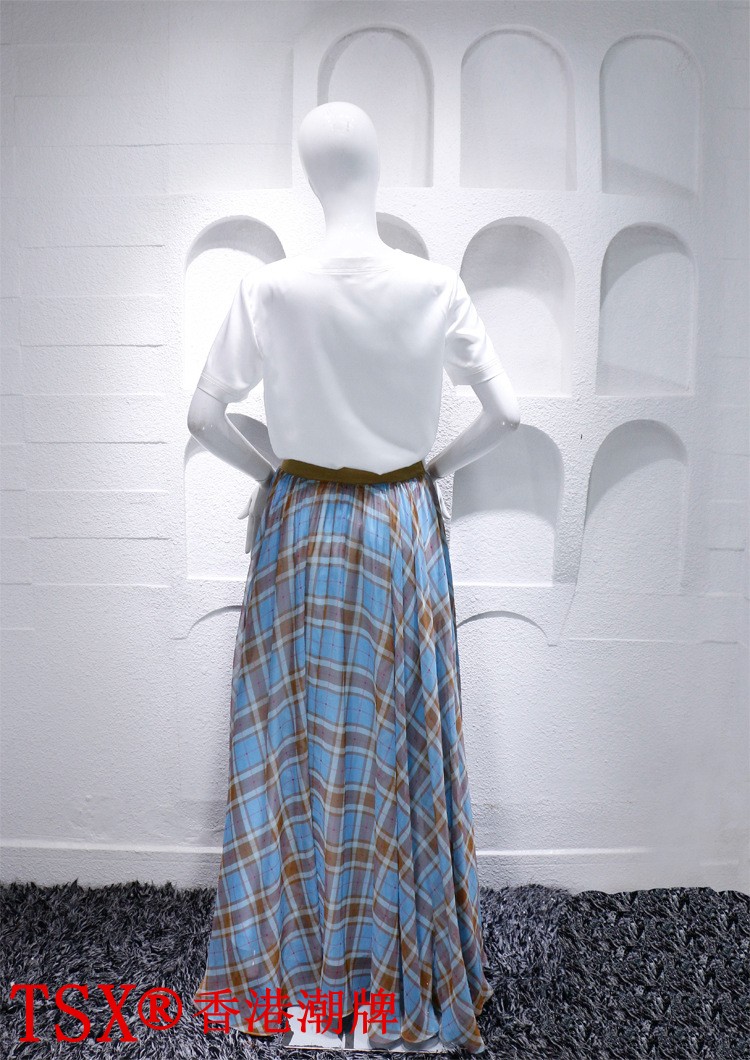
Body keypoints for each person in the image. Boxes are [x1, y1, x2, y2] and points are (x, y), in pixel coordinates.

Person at [187, 101, 520, 1054]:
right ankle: (388, 973)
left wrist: (274, 474)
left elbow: (204, 417)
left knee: (294, 740)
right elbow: (507, 413)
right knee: (398, 742)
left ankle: (296, 985)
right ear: (375, 171)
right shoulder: (435, 286)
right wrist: (431, 471)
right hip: (399, 523)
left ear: (310, 174)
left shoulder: (269, 289)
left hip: (301, 526)